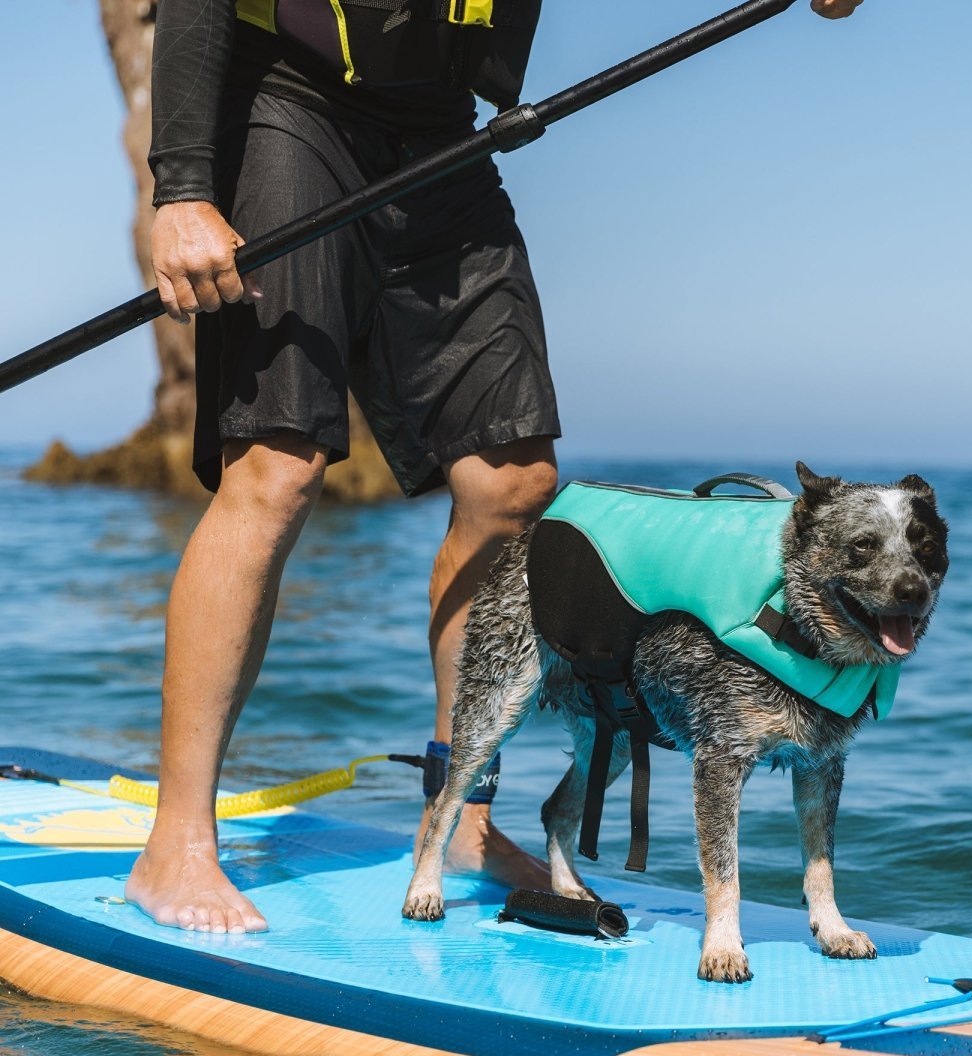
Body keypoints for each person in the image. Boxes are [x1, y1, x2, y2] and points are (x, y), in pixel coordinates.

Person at [125, 0, 867, 935]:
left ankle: (464, 820)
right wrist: (184, 190)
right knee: (279, 466)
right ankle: (177, 842)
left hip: (438, 136)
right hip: (290, 106)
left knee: (513, 485)